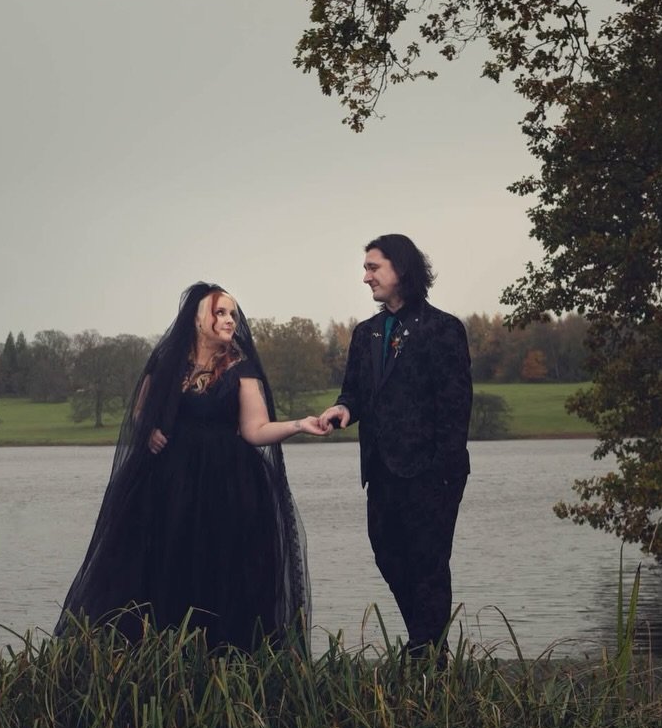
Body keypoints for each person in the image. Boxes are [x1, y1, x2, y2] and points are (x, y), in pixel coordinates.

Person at [56, 282, 327, 651]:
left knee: (220, 575)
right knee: (163, 569)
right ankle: (153, 660)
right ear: (198, 319)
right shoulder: (167, 361)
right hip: (167, 484)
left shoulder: (240, 367)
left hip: (227, 488)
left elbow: (255, 429)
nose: (229, 320)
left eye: (232, 313)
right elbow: (140, 409)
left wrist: (299, 425)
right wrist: (147, 428)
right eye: (220, 312)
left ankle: (222, 664)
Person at [317, 235, 471, 660]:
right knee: (388, 555)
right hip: (381, 470)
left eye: (373, 267)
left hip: (432, 471)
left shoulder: (444, 329)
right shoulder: (366, 333)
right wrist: (343, 410)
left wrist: (443, 473)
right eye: (366, 268)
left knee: (429, 564)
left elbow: (456, 408)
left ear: (401, 270)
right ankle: (425, 643)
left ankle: (428, 654)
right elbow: (355, 393)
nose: (365, 277)